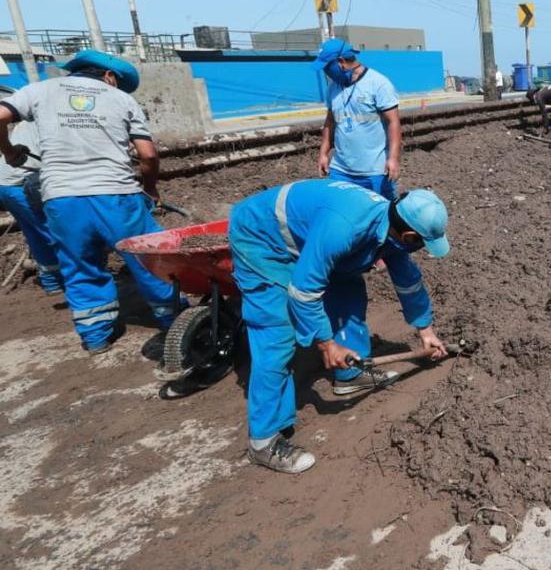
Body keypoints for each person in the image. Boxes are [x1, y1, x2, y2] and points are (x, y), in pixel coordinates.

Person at [230, 179, 451, 474]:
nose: (422, 249)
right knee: (277, 332)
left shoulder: (390, 226)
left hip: (314, 237)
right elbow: (304, 291)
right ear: (410, 235)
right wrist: (326, 343)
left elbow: (408, 281)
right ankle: (264, 442)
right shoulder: (345, 228)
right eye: (423, 243)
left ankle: (349, 374)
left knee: (348, 291)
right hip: (262, 237)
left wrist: (426, 331)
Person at [0, 50, 180, 353]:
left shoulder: (37, 91)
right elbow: (148, 155)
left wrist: (7, 150)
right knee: (149, 258)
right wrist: (151, 189)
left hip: (61, 197)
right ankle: (172, 319)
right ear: (109, 76)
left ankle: (96, 335)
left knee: (80, 264)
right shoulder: (122, 99)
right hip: (116, 194)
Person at [314, 39, 403, 201]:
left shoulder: (378, 84)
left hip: (375, 171)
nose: (325, 72)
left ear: (340, 62)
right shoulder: (333, 88)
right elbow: (329, 123)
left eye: (327, 67)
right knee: (340, 212)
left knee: (382, 216)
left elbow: (393, 122)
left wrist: (393, 158)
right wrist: (323, 154)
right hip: (340, 170)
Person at [0, 120, 63, 294]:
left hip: (6, 183)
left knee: (36, 234)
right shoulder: (49, 119)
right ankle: (77, 280)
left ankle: (51, 282)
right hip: (20, 184)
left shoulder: (29, 119)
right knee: (54, 233)